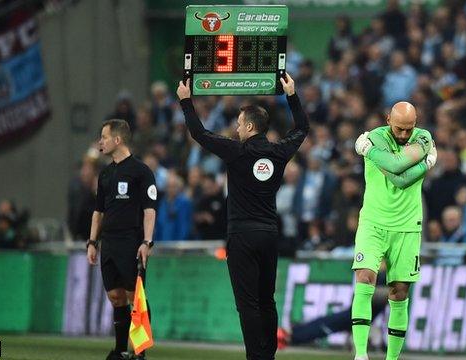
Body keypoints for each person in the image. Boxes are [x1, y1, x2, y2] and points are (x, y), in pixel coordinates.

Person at [176, 73, 309, 360]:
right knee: (266, 301)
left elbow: (199, 134)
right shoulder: (278, 152)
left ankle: (255, 357)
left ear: (249, 126)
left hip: (242, 237)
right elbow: (302, 129)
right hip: (269, 234)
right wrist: (292, 95)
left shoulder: (235, 152)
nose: (236, 130)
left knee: (247, 303)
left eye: (238, 125)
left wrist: (186, 102)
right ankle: (268, 355)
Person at [351, 101, 437, 360]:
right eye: (399, 128)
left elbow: (399, 174)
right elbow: (401, 168)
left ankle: (391, 359)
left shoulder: (423, 137)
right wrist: (426, 163)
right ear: (388, 119)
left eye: (408, 129)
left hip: (408, 227)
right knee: (365, 277)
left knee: (399, 291)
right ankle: (361, 355)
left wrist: (368, 151)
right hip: (373, 223)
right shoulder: (377, 135)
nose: (403, 134)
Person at [86, 119, 157, 360]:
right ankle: (120, 350)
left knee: (135, 297)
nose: (100, 142)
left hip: (131, 241)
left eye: (103, 137)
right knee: (116, 296)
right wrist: (92, 242)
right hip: (109, 243)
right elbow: (99, 211)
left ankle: (140, 352)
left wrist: (147, 242)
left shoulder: (141, 171)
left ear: (117, 140)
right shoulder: (105, 174)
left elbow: (150, 210)